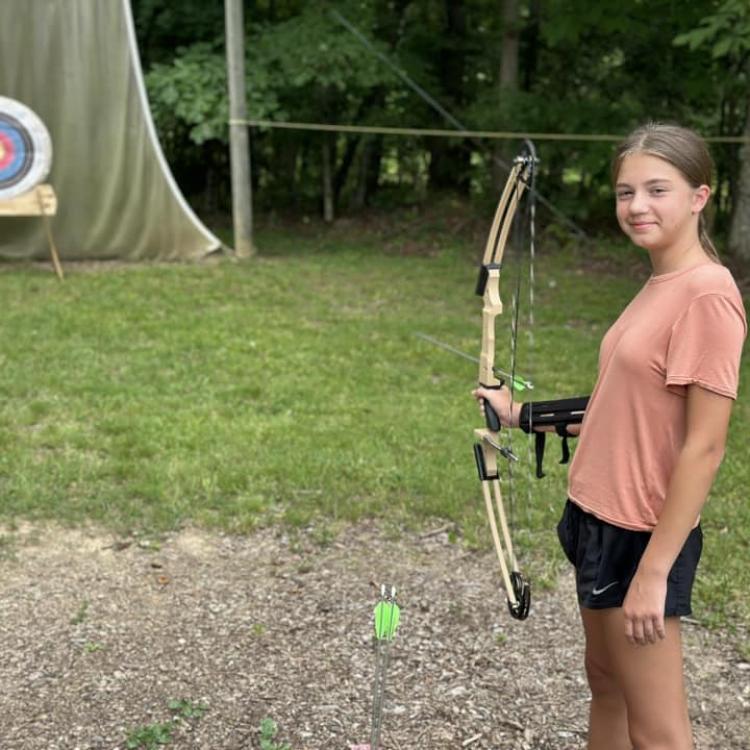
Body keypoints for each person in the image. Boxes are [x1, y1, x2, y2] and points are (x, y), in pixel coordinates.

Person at [473, 122, 746, 750]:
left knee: (659, 731)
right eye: (626, 193)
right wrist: (520, 415)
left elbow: (704, 446)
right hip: (596, 517)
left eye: (657, 190)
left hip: (641, 535)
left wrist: (654, 571)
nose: (638, 206)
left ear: (700, 197)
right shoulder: (659, 284)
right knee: (607, 685)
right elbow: (623, 407)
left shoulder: (707, 294)